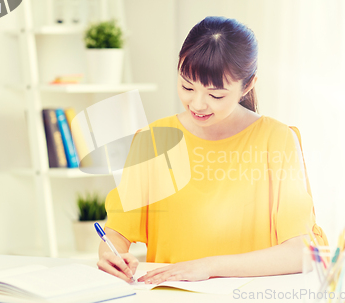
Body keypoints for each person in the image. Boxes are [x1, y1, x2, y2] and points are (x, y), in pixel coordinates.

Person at [97, 16, 328, 284]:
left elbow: (302, 252)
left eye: (215, 95)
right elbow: (118, 232)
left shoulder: (276, 139)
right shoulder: (153, 141)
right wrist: (110, 253)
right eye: (186, 86)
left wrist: (208, 266)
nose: (197, 104)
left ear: (248, 85)